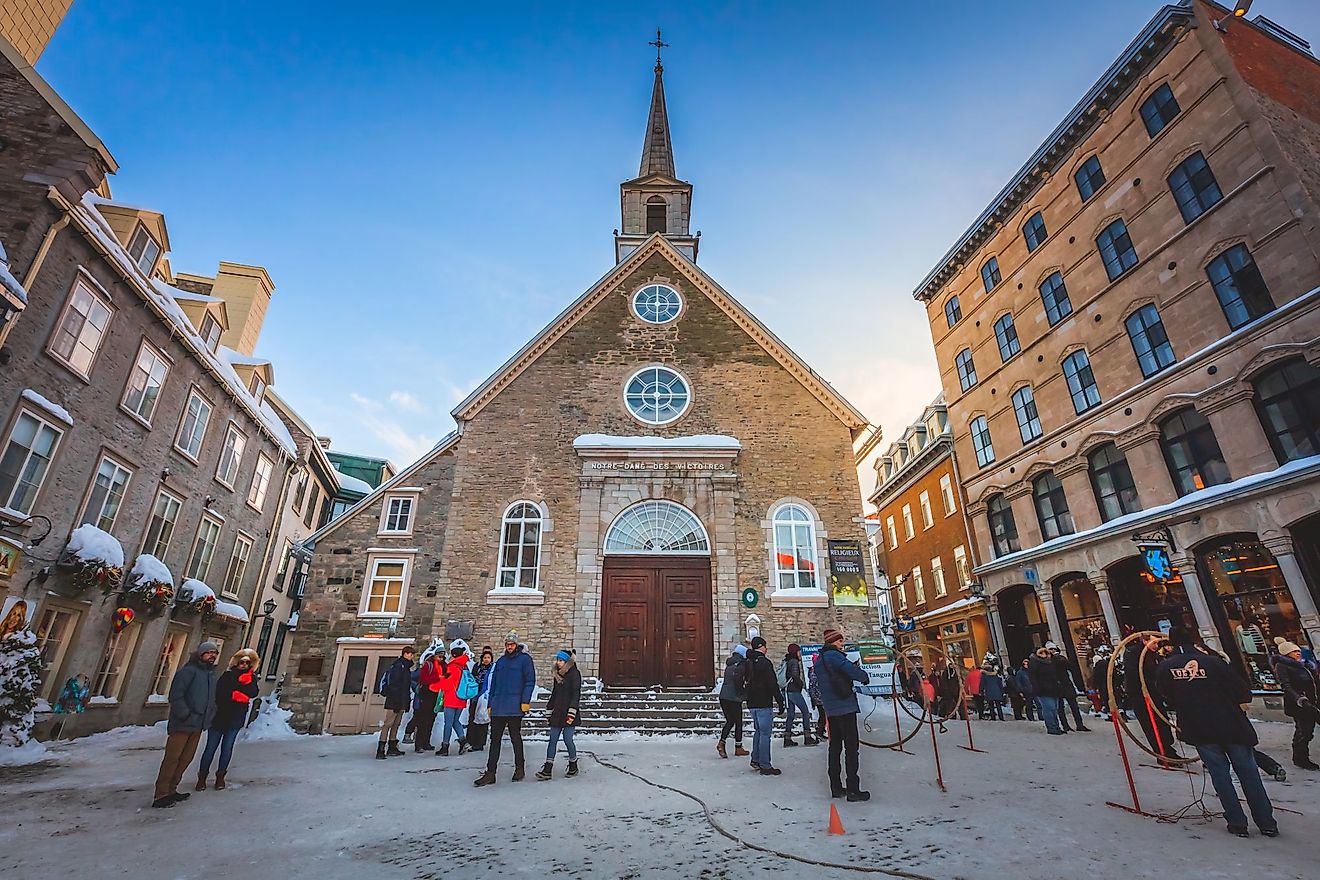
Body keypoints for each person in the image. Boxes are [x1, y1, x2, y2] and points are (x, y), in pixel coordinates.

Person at [1155, 626, 1278, 838]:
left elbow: (1165, 694)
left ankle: (1237, 822)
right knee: (1248, 773)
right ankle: (1266, 822)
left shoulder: (1166, 667)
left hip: (1199, 727)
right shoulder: (1214, 662)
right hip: (1230, 723)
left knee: (1220, 775)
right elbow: (1242, 692)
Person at [152, 640, 219, 808]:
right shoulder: (188, 671)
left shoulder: (210, 675)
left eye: (215, 653)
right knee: (172, 758)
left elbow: (211, 699)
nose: (212, 656)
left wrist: (210, 714)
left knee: (185, 759)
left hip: (198, 725)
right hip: (182, 724)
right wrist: (185, 714)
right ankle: (161, 794)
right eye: (209, 652)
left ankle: (172, 790)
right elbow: (176, 695)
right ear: (201, 654)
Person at [474, 631, 536, 786]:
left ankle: (519, 768)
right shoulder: (500, 662)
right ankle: (490, 772)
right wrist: (490, 704)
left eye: (512, 644)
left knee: (515, 738)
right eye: (507, 644)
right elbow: (493, 683)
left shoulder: (525, 660)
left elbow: (530, 680)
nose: (509, 647)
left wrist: (525, 701)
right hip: (499, 706)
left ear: (516, 645)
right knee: (495, 740)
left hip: (515, 706)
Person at [816, 627, 870, 801]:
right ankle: (854, 789)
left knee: (835, 747)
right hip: (845, 707)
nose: (842, 643)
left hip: (831, 709)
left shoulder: (819, 660)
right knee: (851, 748)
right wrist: (863, 675)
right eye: (839, 641)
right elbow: (854, 673)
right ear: (832, 641)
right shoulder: (835, 657)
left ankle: (836, 787)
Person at [197, 649, 262, 786]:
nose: (244, 665)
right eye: (242, 662)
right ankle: (202, 777)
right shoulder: (227, 676)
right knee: (210, 747)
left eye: (247, 663)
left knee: (227, 748)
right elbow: (219, 692)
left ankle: (220, 776)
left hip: (235, 718)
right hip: (219, 716)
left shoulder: (250, 678)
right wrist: (234, 694)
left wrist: (249, 680)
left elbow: (253, 693)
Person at [1124, 633, 1174, 760]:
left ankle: (1168, 748)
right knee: (1151, 724)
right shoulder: (1133, 653)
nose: (1157, 646)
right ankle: (1161, 753)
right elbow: (1133, 674)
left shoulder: (1153, 655)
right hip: (1141, 695)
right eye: (1154, 643)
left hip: (1154, 694)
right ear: (1145, 641)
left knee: (1162, 721)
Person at [1271, 637, 1319, 770]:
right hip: (1300, 704)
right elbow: (1286, 686)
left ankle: (1301, 756)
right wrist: (1300, 699)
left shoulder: (1305, 665)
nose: (1298, 653)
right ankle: (1300, 758)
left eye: (1298, 651)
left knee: (1308, 731)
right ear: (1286, 654)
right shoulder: (1282, 666)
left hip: (1313, 701)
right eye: (1294, 651)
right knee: (1304, 731)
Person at [537, 649, 582, 780]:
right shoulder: (558, 675)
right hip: (557, 712)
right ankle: (547, 768)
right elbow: (555, 694)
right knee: (553, 739)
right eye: (557, 660)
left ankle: (573, 764)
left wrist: (572, 712)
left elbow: (576, 694)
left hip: (569, 712)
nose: (558, 663)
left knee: (568, 739)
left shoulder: (575, 674)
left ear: (567, 662)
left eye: (561, 660)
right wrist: (549, 710)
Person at [744, 636, 784, 775]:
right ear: (761, 646)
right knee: (765, 733)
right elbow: (772, 683)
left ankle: (755, 759)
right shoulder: (765, 663)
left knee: (758, 731)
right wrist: (780, 700)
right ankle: (765, 765)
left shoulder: (748, 661)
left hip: (752, 702)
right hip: (763, 701)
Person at [377, 646, 414, 759]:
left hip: (401, 699)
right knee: (388, 723)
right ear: (405, 654)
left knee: (396, 724)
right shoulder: (399, 666)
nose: (412, 656)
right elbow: (394, 685)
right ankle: (381, 748)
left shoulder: (405, 667)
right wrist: (398, 700)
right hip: (394, 700)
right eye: (410, 654)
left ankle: (392, 745)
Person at [436, 645, 471, 756]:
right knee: (456, 721)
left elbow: (447, 684)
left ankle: (445, 746)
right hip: (461, 698)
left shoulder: (452, 667)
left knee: (448, 723)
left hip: (451, 698)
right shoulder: (465, 666)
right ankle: (463, 740)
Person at [717, 644, 749, 759]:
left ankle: (722, 742)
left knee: (730, 721)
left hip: (724, 696)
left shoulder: (730, 664)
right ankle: (738, 747)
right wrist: (742, 693)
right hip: (734, 697)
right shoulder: (741, 664)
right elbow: (738, 680)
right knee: (738, 722)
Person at [1049, 644, 1090, 732]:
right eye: (1050, 649)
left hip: (1065, 684)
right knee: (1061, 707)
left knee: (1073, 706)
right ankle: (1067, 725)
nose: (1052, 651)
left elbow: (1070, 667)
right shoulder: (1050, 661)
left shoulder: (1059, 659)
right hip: (1058, 685)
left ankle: (1078, 725)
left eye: (1053, 649)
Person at [782, 643, 817, 747]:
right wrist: (800, 684)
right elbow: (795, 675)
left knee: (791, 715)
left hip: (787, 691)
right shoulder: (794, 662)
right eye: (798, 652)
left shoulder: (787, 661)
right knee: (805, 712)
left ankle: (787, 738)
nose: (800, 654)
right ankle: (807, 737)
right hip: (794, 690)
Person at [1028, 646, 1064, 735]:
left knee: (1055, 709)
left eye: (1046, 653)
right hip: (1043, 689)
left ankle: (1056, 726)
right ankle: (1051, 727)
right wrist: (1037, 688)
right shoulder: (1034, 662)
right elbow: (1033, 677)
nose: (1044, 655)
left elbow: (1059, 669)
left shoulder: (1051, 662)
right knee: (1049, 708)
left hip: (1054, 688)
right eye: (1042, 653)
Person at [413, 648, 444, 752]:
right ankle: (419, 744)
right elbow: (423, 679)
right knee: (423, 719)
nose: (441, 658)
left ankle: (426, 742)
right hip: (427, 694)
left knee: (431, 719)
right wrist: (438, 678)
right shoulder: (428, 664)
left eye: (442, 656)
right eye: (439, 656)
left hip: (437, 694)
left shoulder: (442, 665)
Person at [467, 646, 495, 751]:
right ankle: (470, 740)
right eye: (485, 657)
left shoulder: (493, 669)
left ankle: (480, 743)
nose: (486, 659)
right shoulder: (477, 667)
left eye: (488, 657)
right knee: (472, 718)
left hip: (485, 697)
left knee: (483, 720)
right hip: (475, 696)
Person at [806, 654, 827, 741]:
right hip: (819, 697)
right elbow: (815, 686)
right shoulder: (815, 672)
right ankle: (819, 732)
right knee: (823, 715)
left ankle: (820, 731)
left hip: (818, 697)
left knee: (823, 715)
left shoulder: (814, 671)